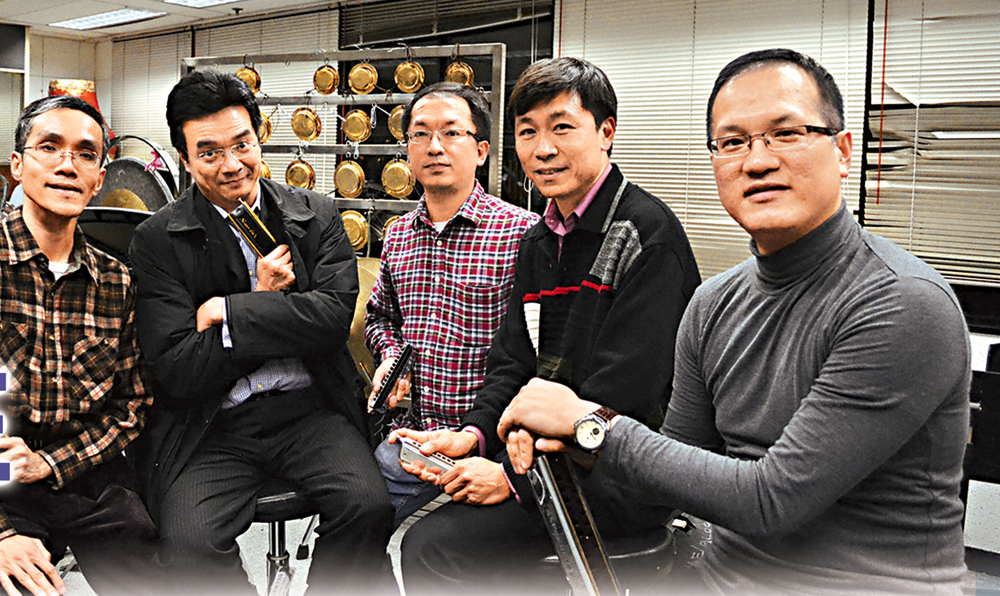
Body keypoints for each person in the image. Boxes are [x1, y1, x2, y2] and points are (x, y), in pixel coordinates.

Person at [499, 48, 970, 595]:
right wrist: (552, 442)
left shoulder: (901, 303)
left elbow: (772, 500)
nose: (757, 161)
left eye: (786, 134)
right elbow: (667, 474)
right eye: (732, 142)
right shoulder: (714, 303)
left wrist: (589, 425)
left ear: (842, 151)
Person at [398, 57, 701, 595]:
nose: (542, 149)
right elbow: (513, 361)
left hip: (622, 472)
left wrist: (513, 479)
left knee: (433, 547)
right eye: (527, 131)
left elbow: (623, 400)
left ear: (606, 132)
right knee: (416, 525)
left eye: (562, 127)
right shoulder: (542, 239)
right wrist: (473, 434)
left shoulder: (645, 235)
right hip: (552, 458)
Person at [128, 70, 393, 595]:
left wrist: (228, 311)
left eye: (241, 144)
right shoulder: (157, 240)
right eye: (208, 152)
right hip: (211, 423)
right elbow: (178, 367)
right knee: (188, 544)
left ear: (259, 137)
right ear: (184, 159)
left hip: (309, 411)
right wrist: (270, 301)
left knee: (369, 507)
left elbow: (330, 321)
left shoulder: (316, 214)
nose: (231, 164)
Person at [0, 96, 157, 596]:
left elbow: (131, 406)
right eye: (50, 147)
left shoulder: (116, 281)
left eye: (85, 154)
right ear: (17, 165)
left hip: (82, 475)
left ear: (99, 178)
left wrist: (50, 464)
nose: (68, 165)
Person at [365, 82, 539, 527]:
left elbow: (539, 352)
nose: (434, 147)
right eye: (420, 134)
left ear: (481, 151)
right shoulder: (398, 235)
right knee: (355, 518)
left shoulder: (523, 234)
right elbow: (380, 316)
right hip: (415, 440)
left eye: (451, 132)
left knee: (439, 550)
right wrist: (391, 358)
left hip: (490, 446)